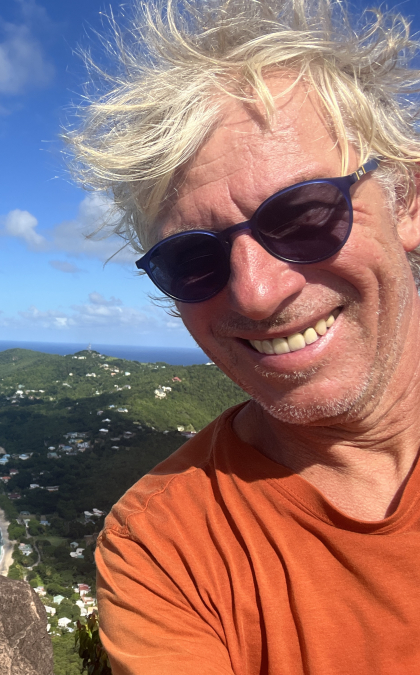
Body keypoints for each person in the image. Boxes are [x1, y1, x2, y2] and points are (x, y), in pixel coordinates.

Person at [65, 0, 420, 672]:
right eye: (191, 259)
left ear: (406, 202)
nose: (257, 292)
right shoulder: (163, 549)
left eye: (303, 215)